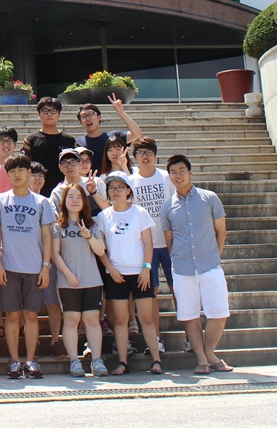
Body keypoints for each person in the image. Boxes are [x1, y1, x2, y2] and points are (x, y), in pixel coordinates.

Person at [160, 155, 232, 375]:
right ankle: (202, 359)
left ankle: (210, 352)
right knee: (189, 315)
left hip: (209, 265)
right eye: (173, 172)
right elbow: (169, 240)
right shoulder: (167, 207)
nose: (178, 175)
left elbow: (221, 230)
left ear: (190, 173)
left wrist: (215, 254)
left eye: (182, 170)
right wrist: (178, 260)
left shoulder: (209, 198)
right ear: (169, 176)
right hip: (182, 269)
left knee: (219, 312)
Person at [0, 153, 55, 380]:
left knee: (31, 316)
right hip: (9, 267)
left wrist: (46, 266)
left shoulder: (42, 202)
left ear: (29, 173)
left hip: (34, 267)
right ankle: (15, 361)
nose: (17, 175)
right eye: (13, 171)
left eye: (21, 171)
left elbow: (47, 236)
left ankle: (30, 361)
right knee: (13, 316)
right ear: (7, 174)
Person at [99, 170, 163, 375]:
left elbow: (148, 243)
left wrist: (146, 268)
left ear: (128, 190)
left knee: (146, 318)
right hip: (116, 274)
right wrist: (110, 269)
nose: (115, 191)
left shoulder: (139, 212)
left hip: (140, 272)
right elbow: (101, 248)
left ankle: (156, 360)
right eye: (111, 188)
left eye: (120, 187)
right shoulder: (103, 216)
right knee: (120, 319)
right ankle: (123, 362)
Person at [52, 183, 108, 377]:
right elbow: (55, 254)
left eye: (78, 197)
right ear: (64, 201)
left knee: (92, 320)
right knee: (71, 320)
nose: (75, 201)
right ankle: (74, 361)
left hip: (91, 280)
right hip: (68, 282)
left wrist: (89, 237)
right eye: (71, 197)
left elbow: (101, 251)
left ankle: (96, 361)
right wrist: (67, 274)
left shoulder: (92, 224)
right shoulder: (58, 226)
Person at [129, 137, 175, 355]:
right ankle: (155, 340)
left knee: (179, 291)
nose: (145, 157)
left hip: (170, 245)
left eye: (148, 152)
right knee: (151, 295)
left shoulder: (167, 178)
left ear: (156, 155)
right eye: (140, 153)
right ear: (134, 157)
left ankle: (189, 338)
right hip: (147, 247)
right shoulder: (131, 181)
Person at [27, 161, 65, 358]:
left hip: (47, 259)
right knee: (29, 306)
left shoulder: (47, 201)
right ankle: (33, 343)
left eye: (41, 175)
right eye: (34, 175)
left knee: (52, 302)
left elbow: (54, 229)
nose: (37, 179)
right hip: (26, 259)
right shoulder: (20, 199)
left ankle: (55, 339)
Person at [24, 96, 78, 184]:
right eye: (45, 111)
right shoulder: (30, 140)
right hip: (38, 187)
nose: (49, 114)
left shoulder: (69, 140)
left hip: (64, 189)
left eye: (53, 111)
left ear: (59, 114)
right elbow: (25, 166)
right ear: (39, 114)